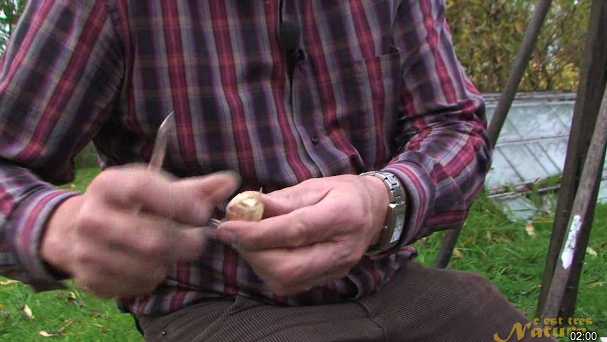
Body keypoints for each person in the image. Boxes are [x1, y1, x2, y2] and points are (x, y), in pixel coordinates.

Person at [0, 1, 555, 341]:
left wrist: (385, 199)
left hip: (400, 285)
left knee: (558, 334)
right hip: (222, 310)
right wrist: (61, 227)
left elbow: (455, 124)